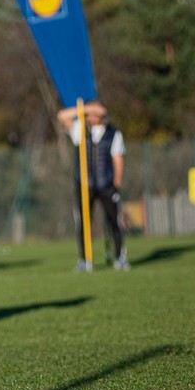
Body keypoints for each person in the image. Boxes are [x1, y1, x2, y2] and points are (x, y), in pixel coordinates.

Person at [57, 101, 128, 271]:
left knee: (114, 222)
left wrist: (116, 182)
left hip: (106, 185)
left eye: (97, 112)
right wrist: (85, 109)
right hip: (84, 185)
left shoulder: (114, 134)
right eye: (91, 113)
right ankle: (85, 260)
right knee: (83, 223)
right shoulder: (79, 130)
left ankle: (120, 257)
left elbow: (118, 158)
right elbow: (61, 116)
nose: (94, 116)